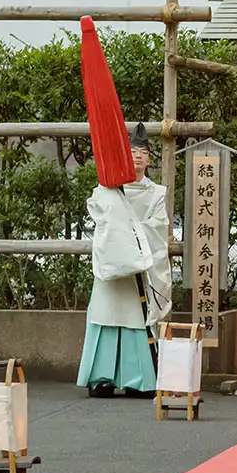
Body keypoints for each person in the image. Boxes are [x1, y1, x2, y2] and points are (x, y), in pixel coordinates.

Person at [78, 123, 172, 398]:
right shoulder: (106, 190)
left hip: (139, 270)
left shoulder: (156, 193)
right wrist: (124, 238)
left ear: (150, 159)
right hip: (113, 264)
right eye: (132, 151)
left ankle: (138, 379)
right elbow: (102, 221)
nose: (138, 156)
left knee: (135, 318)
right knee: (106, 315)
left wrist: (132, 238)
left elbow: (158, 226)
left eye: (143, 152)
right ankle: (100, 378)